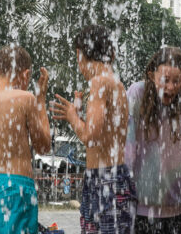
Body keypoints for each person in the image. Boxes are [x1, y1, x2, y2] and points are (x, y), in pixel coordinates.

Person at [50, 25, 136, 234]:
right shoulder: (115, 83)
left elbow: (90, 137)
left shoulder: (99, 82)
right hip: (112, 176)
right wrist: (77, 113)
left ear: (80, 53)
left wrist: (72, 117)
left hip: (105, 179)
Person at [0, 45, 51, 234]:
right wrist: (41, 99)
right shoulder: (26, 98)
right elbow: (44, 147)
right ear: (26, 74)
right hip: (15, 189)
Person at [124, 47, 181, 234]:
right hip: (144, 209)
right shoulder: (137, 94)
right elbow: (128, 149)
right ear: (151, 75)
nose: (171, 87)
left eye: (177, 81)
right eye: (165, 80)